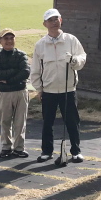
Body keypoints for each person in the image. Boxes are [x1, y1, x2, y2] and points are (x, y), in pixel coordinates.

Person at [30, 9, 87, 163]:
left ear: (61, 20)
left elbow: (82, 58)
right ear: (45, 24)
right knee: (47, 123)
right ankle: (47, 151)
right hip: (48, 91)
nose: (54, 22)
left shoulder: (71, 40)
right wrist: (39, 89)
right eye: (50, 20)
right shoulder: (40, 45)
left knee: (72, 122)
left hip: (68, 89)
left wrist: (74, 60)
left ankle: (76, 151)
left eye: (56, 19)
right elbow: (35, 69)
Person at [0, 28, 31, 158]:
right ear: (0, 41)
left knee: (20, 122)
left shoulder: (21, 55)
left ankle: (19, 148)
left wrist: (7, 80)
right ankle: (6, 147)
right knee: (5, 121)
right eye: (6, 38)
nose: (9, 41)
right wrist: (14, 71)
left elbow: (25, 72)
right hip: (4, 94)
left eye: (11, 38)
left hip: (20, 92)